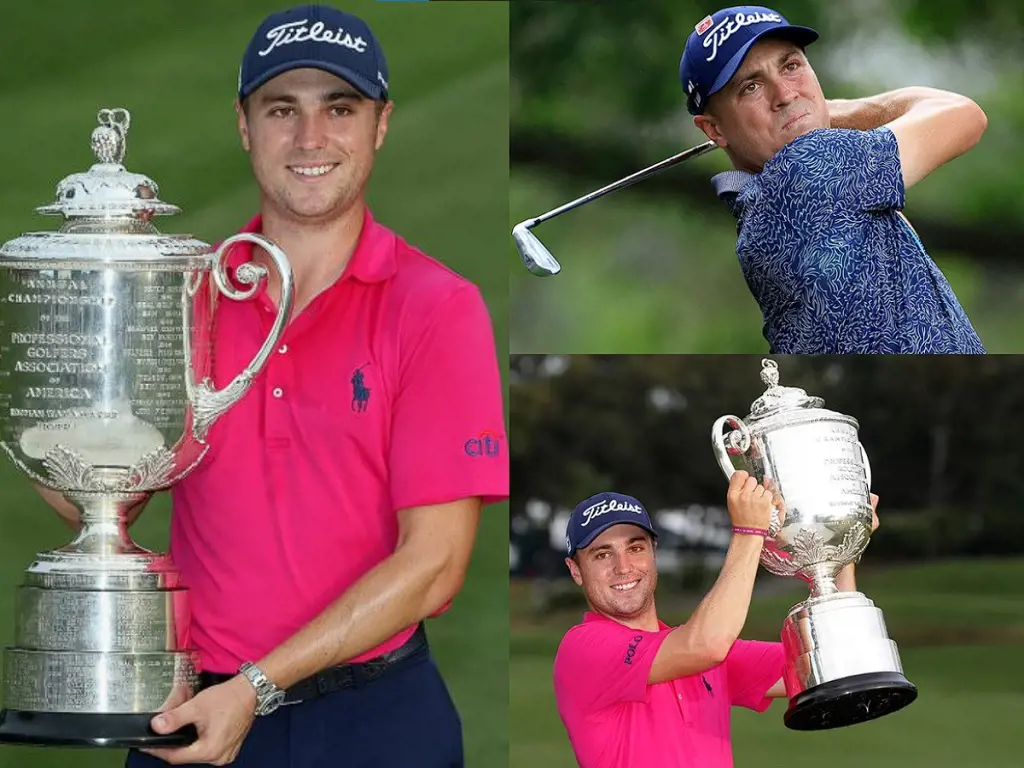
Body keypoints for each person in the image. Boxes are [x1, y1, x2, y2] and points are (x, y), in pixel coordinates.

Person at [35, 4, 508, 767]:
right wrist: (47, 409)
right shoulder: (181, 296)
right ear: (244, 125)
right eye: (282, 109)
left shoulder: (435, 307)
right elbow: (97, 500)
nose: (310, 138)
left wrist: (256, 687)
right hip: (190, 710)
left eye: (339, 108)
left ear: (380, 124)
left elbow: (435, 563)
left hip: (374, 720)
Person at [678, 6, 988, 354]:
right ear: (714, 129)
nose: (785, 95)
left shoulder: (756, 207)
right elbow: (964, 116)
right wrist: (839, 110)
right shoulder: (810, 167)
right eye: (750, 87)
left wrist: (808, 114)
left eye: (791, 66)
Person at [553, 475, 879, 768]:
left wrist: (841, 552)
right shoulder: (582, 648)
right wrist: (749, 532)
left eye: (635, 547)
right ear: (575, 570)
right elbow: (705, 645)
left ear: (653, 553)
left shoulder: (707, 652)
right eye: (602, 554)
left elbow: (833, 662)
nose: (623, 567)